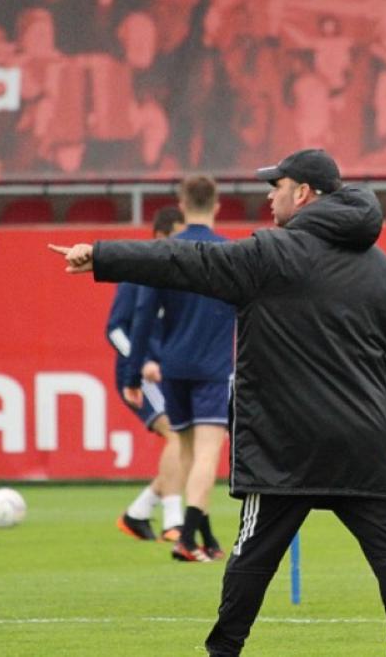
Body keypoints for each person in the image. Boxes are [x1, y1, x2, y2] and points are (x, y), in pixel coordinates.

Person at [50, 148, 386, 656]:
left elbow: (187, 260)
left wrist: (102, 255)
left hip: (285, 444)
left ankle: (223, 651)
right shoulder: (383, 268)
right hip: (361, 440)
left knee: (252, 553)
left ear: (305, 194)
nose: (269, 195)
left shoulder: (270, 255)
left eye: (278, 186)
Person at [122, 175, 236, 562]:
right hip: (213, 368)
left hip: (173, 366)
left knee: (185, 450)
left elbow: (142, 316)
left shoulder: (165, 252)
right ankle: (187, 539)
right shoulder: (231, 254)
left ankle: (204, 536)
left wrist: (132, 373)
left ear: (182, 205)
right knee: (207, 453)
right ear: (217, 205)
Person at [109, 205, 186, 543]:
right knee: (178, 436)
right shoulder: (138, 273)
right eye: (178, 237)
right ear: (160, 236)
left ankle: (137, 513)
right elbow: (115, 330)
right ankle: (174, 521)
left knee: (188, 445)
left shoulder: (181, 276)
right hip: (141, 374)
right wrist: (140, 364)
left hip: (169, 373)